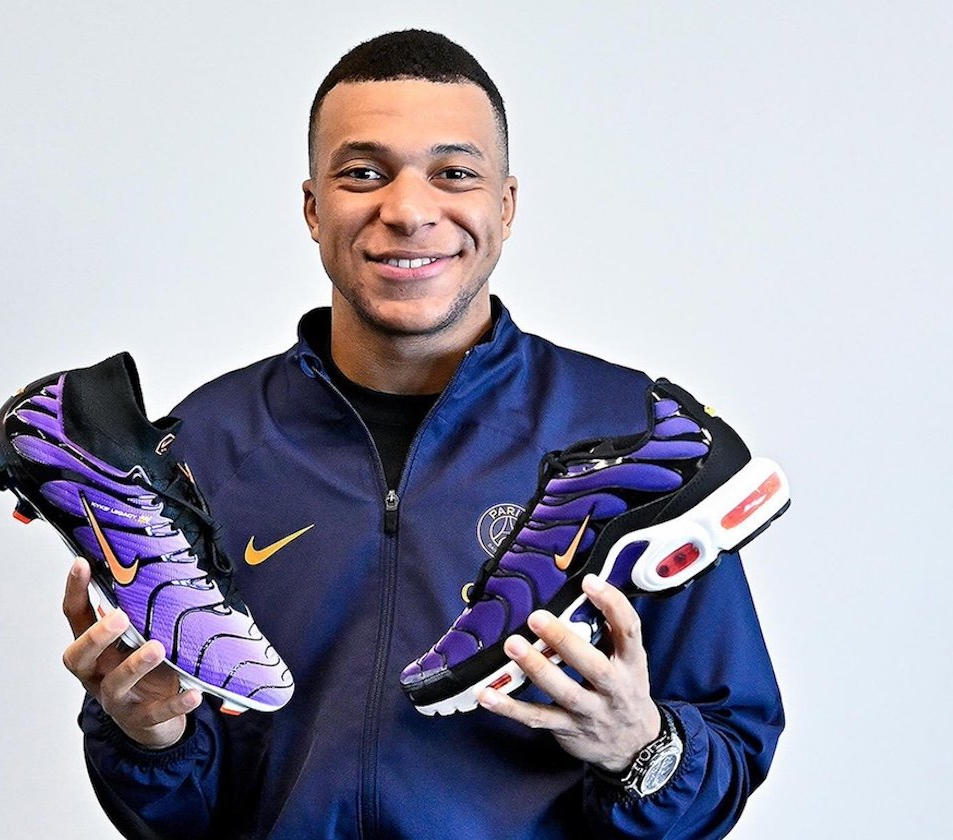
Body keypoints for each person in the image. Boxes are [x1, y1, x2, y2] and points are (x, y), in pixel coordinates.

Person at [60, 30, 783, 839]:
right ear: (313, 208)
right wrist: (150, 740)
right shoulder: (204, 445)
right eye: (364, 174)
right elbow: (181, 821)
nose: (407, 211)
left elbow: (729, 753)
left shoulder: (637, 442)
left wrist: (640, 748)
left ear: (505, 207)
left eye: (454, 173)